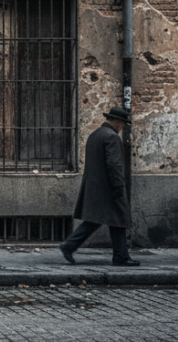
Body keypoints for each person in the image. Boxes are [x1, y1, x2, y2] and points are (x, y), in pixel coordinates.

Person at [59, 106, 139, 266]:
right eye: (123, 123)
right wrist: (118, 187)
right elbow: (114, 165)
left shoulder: (95, 135)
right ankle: (120, 257)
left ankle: (119, 256)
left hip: (95, 186)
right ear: (116, 122)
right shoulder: (112, 137)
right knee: (118, 219)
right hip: (109, 187)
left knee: (98, 220)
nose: (123, 127)